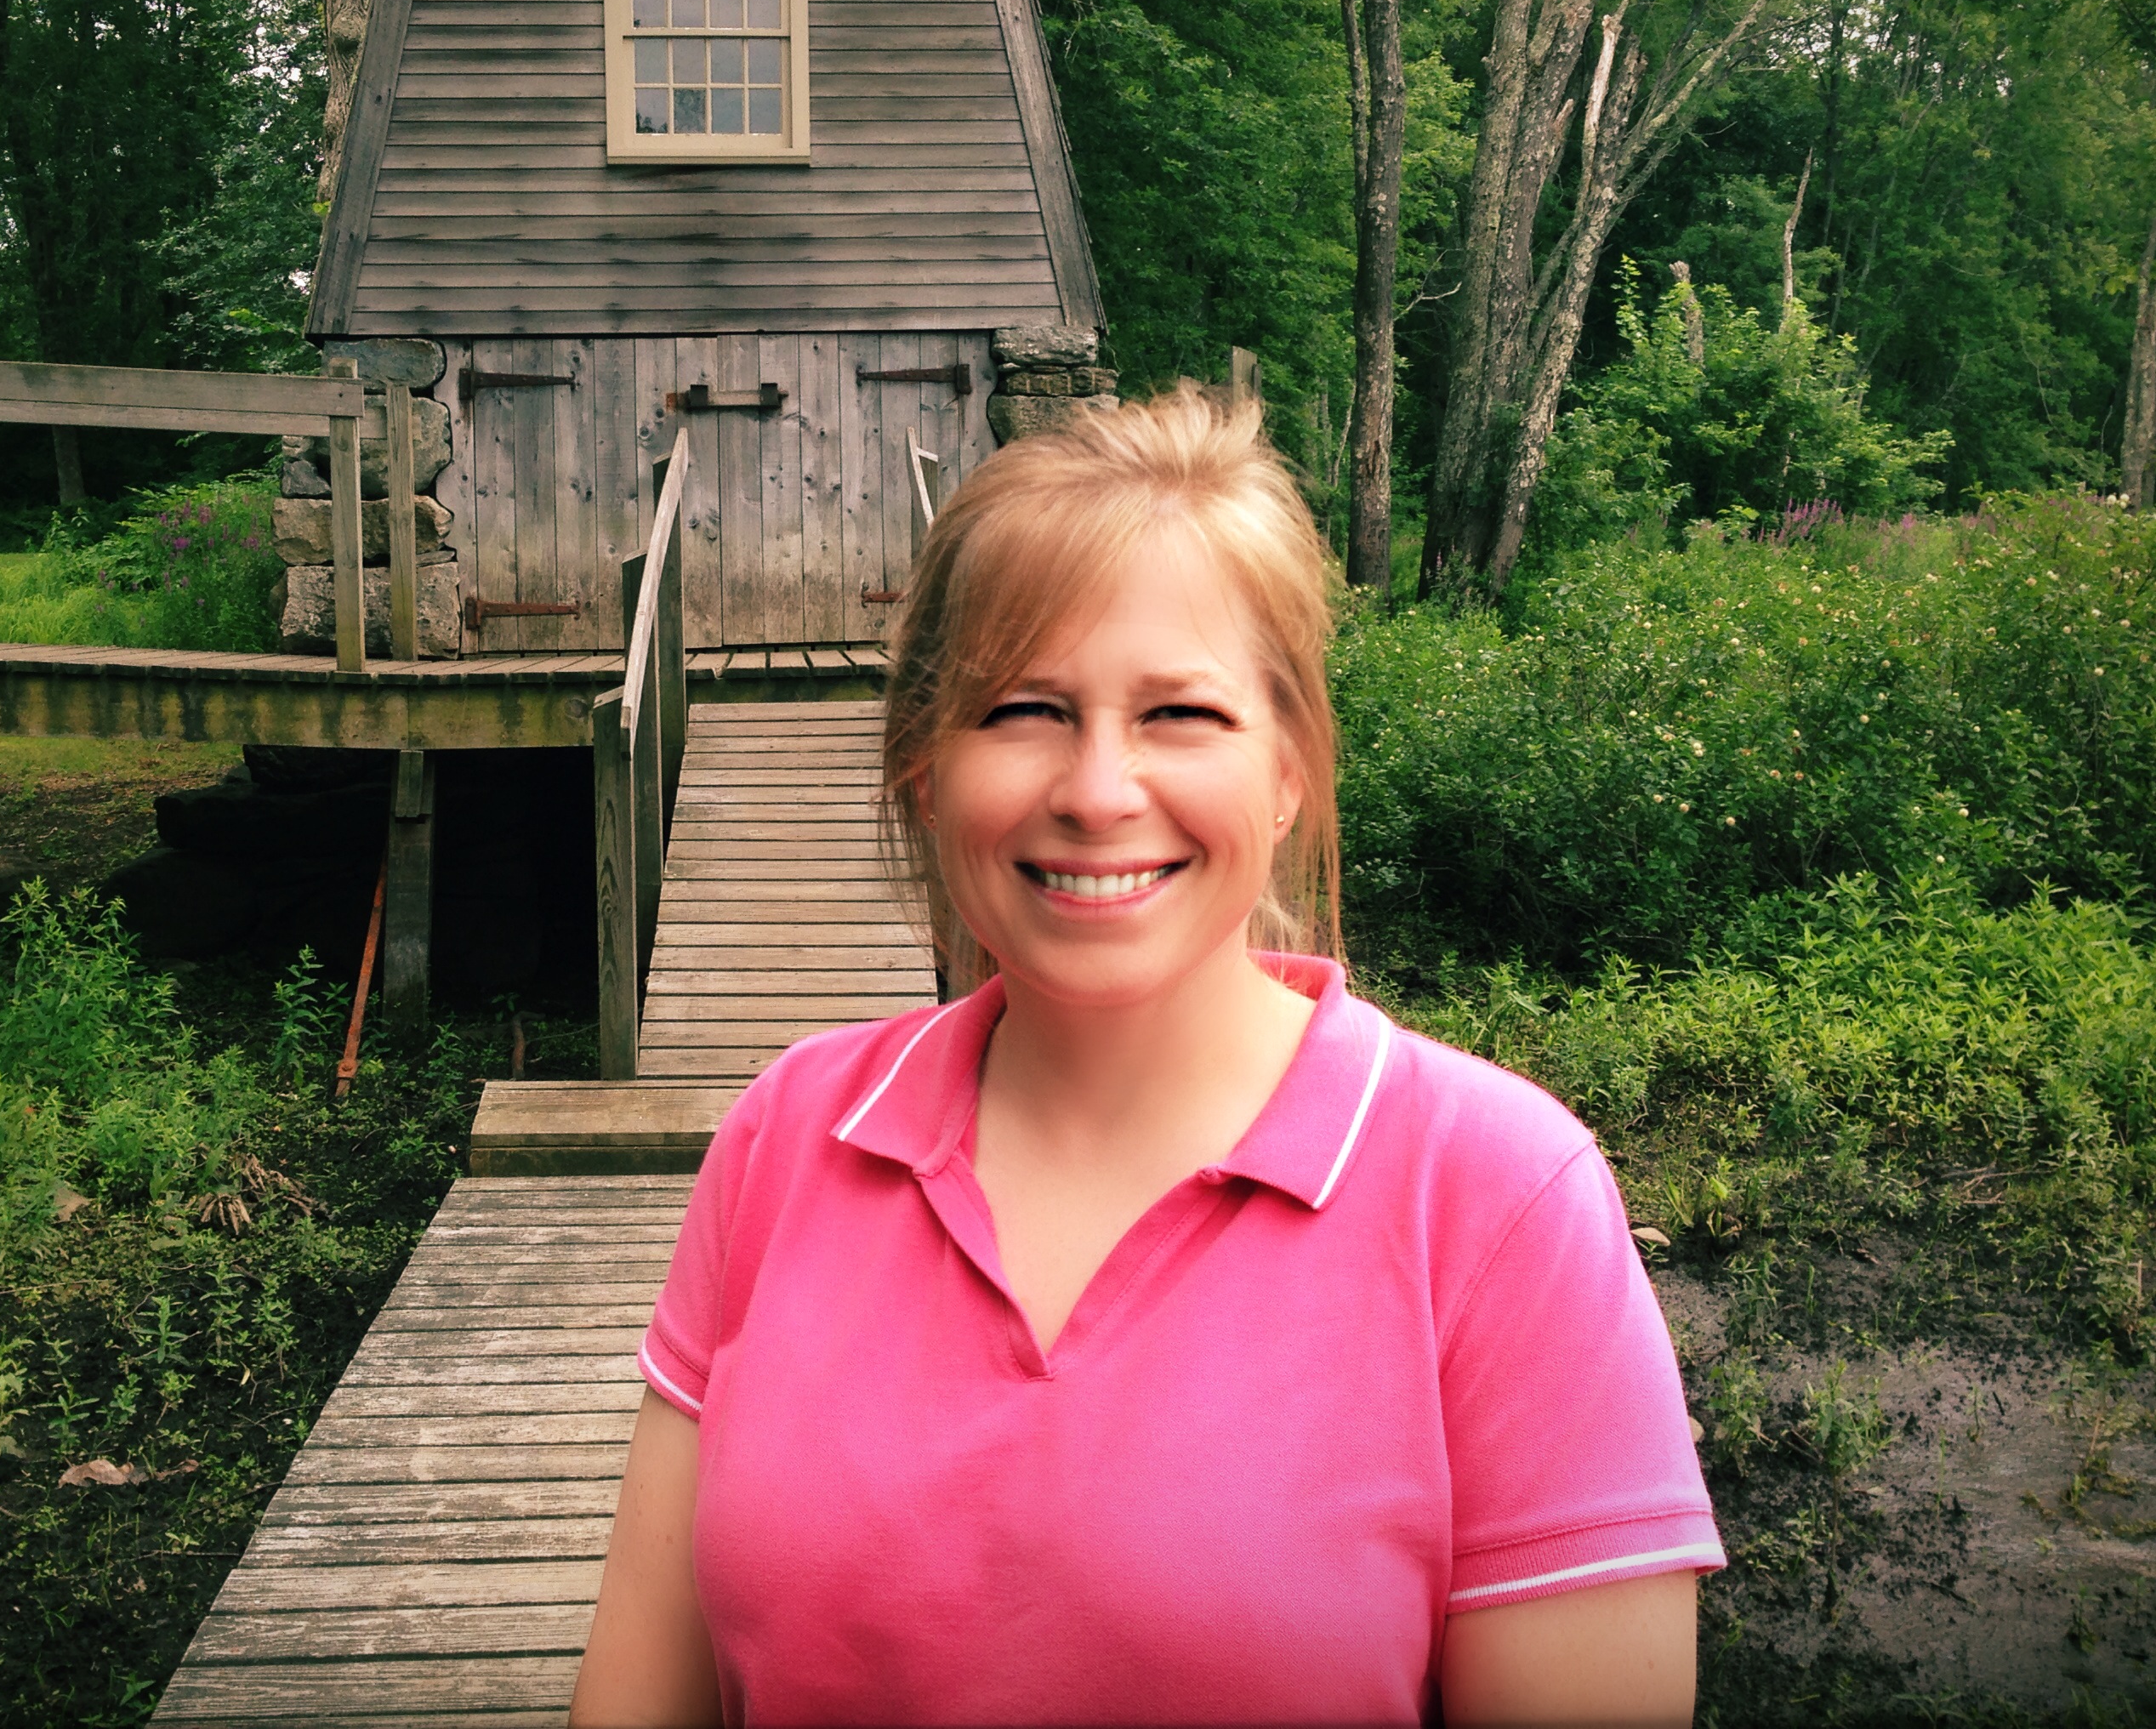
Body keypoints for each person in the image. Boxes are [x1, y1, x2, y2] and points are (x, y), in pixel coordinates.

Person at [572, 390, 1721, 1727]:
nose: (1099, 790)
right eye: (1023, 709)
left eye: (1180, 712)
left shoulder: (1500, 1200)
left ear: (1290, 767)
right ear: (924, 767)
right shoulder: (788, 1138)